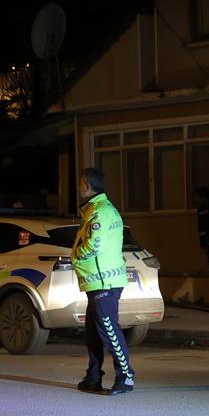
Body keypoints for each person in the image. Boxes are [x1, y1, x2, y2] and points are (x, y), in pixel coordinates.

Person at [73, 168, 136, 395]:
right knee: (93, 333)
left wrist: (77, 255)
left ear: (88, 186)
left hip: (104, 283)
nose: (79, 187)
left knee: (109, 330)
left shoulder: (99, 212)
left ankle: (126, 377)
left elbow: (94, 245)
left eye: (81, 183)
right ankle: (93, 377)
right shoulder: (97, 210)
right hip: (97, 283)